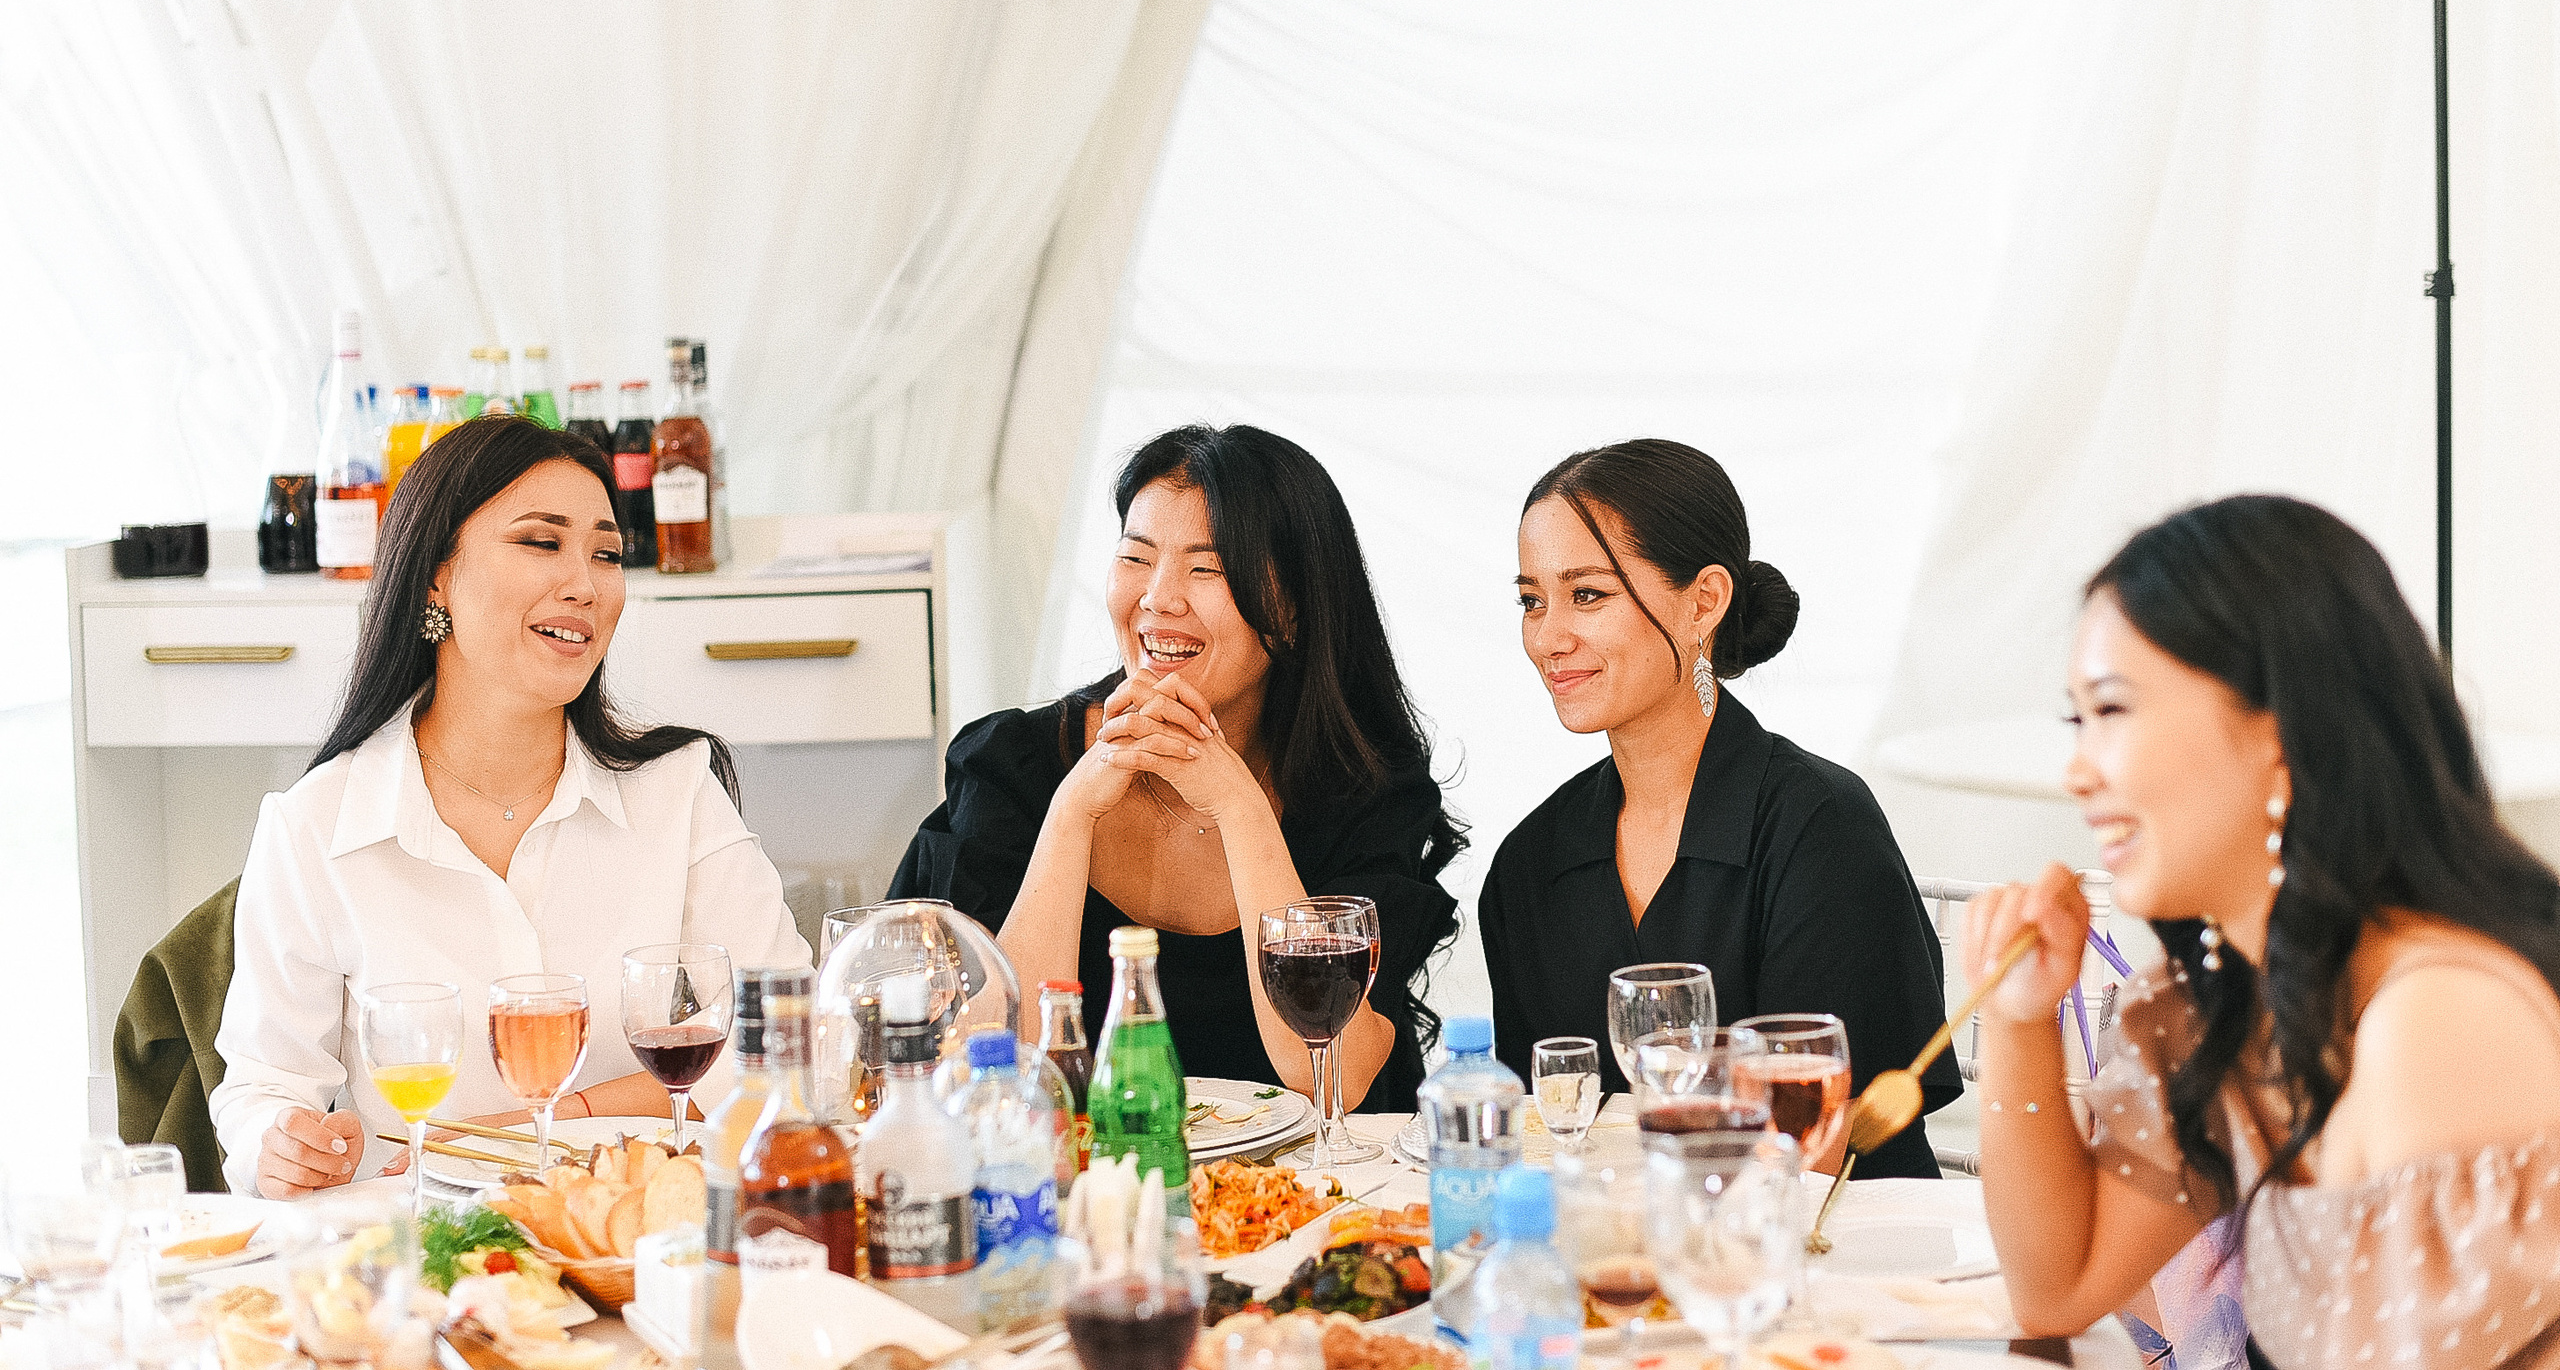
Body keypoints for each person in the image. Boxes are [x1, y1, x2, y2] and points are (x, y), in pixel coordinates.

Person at [1964, 495, 2560, 1365]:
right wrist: (2019, 1017)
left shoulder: (2436, 1014)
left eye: (2115, 710)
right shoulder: (2218, 1003)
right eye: (2076, 720)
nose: (2078, 771)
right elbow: (2057, 1287)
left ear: (2278, 730)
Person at [210, 416, 808, 1198]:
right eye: (540, 542)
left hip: (642, 1240)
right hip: (434, 1262)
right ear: (435, 575)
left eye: (605, 552)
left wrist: (540, 1134)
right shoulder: (316, 827)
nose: (586, 584)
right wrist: (281, 1144)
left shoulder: (678, 791)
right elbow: (261, 1091)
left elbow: (788, 1039)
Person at [890, 424, 1464, 1111]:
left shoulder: (1367, 789)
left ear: (1290, 611)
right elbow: (1002, 1076)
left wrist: (1238, 804)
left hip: (1317, 1205)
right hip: (1082, 1202)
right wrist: (1071, 814)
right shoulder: (1012, 766)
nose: (1158, 597)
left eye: (1206, 567)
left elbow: (1326, 1071)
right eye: (1137, 557)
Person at [1479, 440, 1955, 1178]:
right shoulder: (1531, 864)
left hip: (1839, 1252)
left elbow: (1825, 1145)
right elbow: (1532, 1135)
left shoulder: (1820, 827)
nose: (1548, 637)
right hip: (1624, 1262)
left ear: (1704, 600)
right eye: (1531, 600)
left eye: (1588, 594)